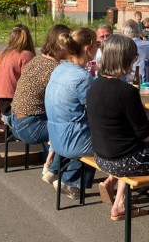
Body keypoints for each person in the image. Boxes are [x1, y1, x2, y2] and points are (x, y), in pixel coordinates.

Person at [86, 35, 149, 239]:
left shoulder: (95, 86)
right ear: (126, 59)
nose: (135, 61)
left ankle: (125, 203)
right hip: (124, 161)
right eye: (133, 57)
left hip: (103, 158)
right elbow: (146, 136)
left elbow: (125, 125)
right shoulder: (127, 92)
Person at [10, 24, 70, 183]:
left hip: (14, 120)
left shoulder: (36, 59)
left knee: (62, 123)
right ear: (61, 45)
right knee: (73, 130)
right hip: (30, 126)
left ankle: (50, 162)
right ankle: (57, 171)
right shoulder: (55, 69)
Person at [45, 28, 99, 200]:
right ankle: (73, 183)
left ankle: (55, 169)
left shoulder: (60, 69)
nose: (99, 48)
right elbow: (97, 114)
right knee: (111, 138)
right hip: (72, 141)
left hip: (55, 136)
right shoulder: (83, 78)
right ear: (87, 48)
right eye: (97, 44)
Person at [0, 24, 35, 134]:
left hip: (4, 106)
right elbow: (30, 86)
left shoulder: (1, 55)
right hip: (20, 108)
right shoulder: (26, 56)